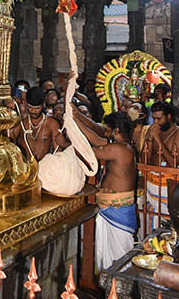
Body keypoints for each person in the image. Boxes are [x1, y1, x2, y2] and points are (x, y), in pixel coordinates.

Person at [73, 108, 137, 271]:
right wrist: (76, 117)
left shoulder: (121, 150)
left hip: (117, 212)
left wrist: (71, 132)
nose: (105, 134)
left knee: (120, 261)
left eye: (108, 130)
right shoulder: (118, 145)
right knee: (109, 261)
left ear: (116, 130)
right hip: (109, 209)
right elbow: (96, 134)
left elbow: (90, 152)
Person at [142, 101, 179, 227]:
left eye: (159, 118)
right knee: (152, 219)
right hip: (152, 183)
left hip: (167, 186)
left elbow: (174, 163)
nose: (155, 122)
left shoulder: (177, 133)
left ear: (169, 117)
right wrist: (151, 139)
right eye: (154, 118)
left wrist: (157, 138)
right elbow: (144, 159)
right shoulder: (152, 130)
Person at [15, 87, 69, 161]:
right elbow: (10, 141)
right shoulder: (21, 122)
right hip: (24, 167)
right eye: (30, 107)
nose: (33, 111)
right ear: (26, 104)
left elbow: (57, 149)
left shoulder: (52, 123)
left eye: (37, 108)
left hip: (45, 167)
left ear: (43, 104)